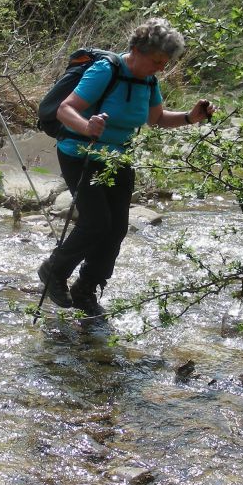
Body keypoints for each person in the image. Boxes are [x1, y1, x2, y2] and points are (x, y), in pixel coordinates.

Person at [38, 17, 213, 316]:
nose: (161, 67)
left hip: (118, 157)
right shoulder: (105, 70)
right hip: (82, 152)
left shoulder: (149, 80)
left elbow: (156, 119)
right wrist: (86, 126)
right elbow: (66, 109)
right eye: (157, 60)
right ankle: (54, 270)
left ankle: (86, 288)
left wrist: (190, 117)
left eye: (165, 62)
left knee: (116, 227)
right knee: (96, 221)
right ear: (137, 50)